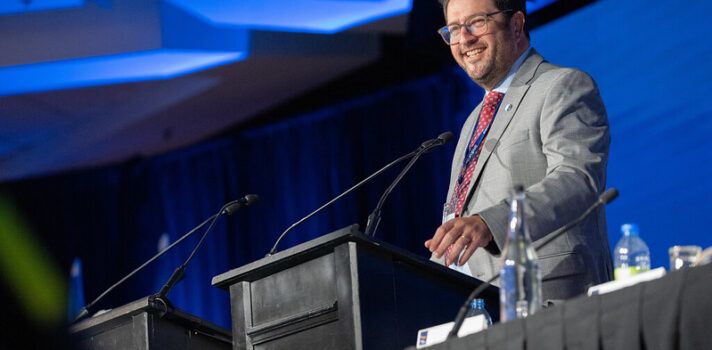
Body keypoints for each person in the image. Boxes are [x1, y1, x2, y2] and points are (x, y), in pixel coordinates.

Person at [425, 0, 613, 302]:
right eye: (455, 29)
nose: (465, 39)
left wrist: (492, 222)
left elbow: (578, 179)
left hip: (552, 297)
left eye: (477, 22)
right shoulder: (472, 122)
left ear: (516, 24)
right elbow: (459, 219)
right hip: (479, 307)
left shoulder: (562, 85)